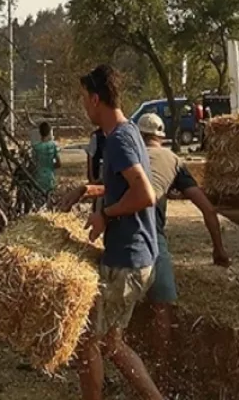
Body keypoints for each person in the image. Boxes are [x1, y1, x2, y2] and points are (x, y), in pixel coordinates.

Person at [75, 65, 163, 400]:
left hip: (129, 260)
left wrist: (105, 217)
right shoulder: (125, 134)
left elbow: (144, 195)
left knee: (88, 339)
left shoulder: (119, 141)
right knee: (111, 342)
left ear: (96, 99)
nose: (84, 106)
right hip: (134, 255)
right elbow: (121, 187)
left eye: (84, 98)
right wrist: (89, 190)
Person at [137, 113, 230, 352]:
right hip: (149, 237)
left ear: (139, 135)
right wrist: (218, 250)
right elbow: (208, 210)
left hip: (115, 235)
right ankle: (160, 371)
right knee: (162, 306)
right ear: (161, 136)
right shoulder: (173, 160)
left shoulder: (125, 156)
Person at [31, 121, 61, 201]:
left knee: (39, 199)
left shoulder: (36, 147)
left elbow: (33, 164)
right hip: (50, 177)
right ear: (49, 132)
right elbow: (59, 164)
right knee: (50, 199)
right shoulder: (53, 145)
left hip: (38, 178)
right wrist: (50, 166)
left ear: (40, 133)